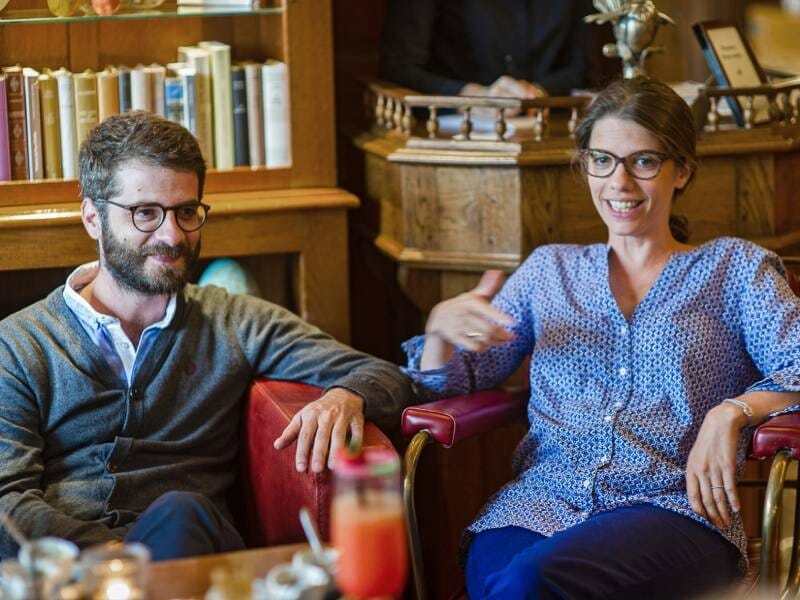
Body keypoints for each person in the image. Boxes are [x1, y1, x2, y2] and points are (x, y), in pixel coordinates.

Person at [401, 77, 800, 598]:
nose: (620, 181)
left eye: (644, 161)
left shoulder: (735, 269)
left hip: (672, 511)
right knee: (513, 581)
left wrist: (733, 412)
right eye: (603, 160)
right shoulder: (549, 271)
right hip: (537, 504)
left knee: (523, 582)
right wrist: (439, 328)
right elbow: (451, 382)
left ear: (682, 170)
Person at [0, 111, 416, 561]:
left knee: (183, 511)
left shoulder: (233, 322)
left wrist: (346, 396)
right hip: (66, 572)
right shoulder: (18, 345)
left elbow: (388, 376)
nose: (172, 235)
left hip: (192, 557)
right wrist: (113, 557)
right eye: (145, 213)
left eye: (186, 212)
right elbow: (7, 500)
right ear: (93, 218)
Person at [379, 0, 594, 100]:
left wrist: (534, 92)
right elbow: (399, 66)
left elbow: (583, 67)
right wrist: (475, 96)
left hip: (551, 125)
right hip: (446, 131)